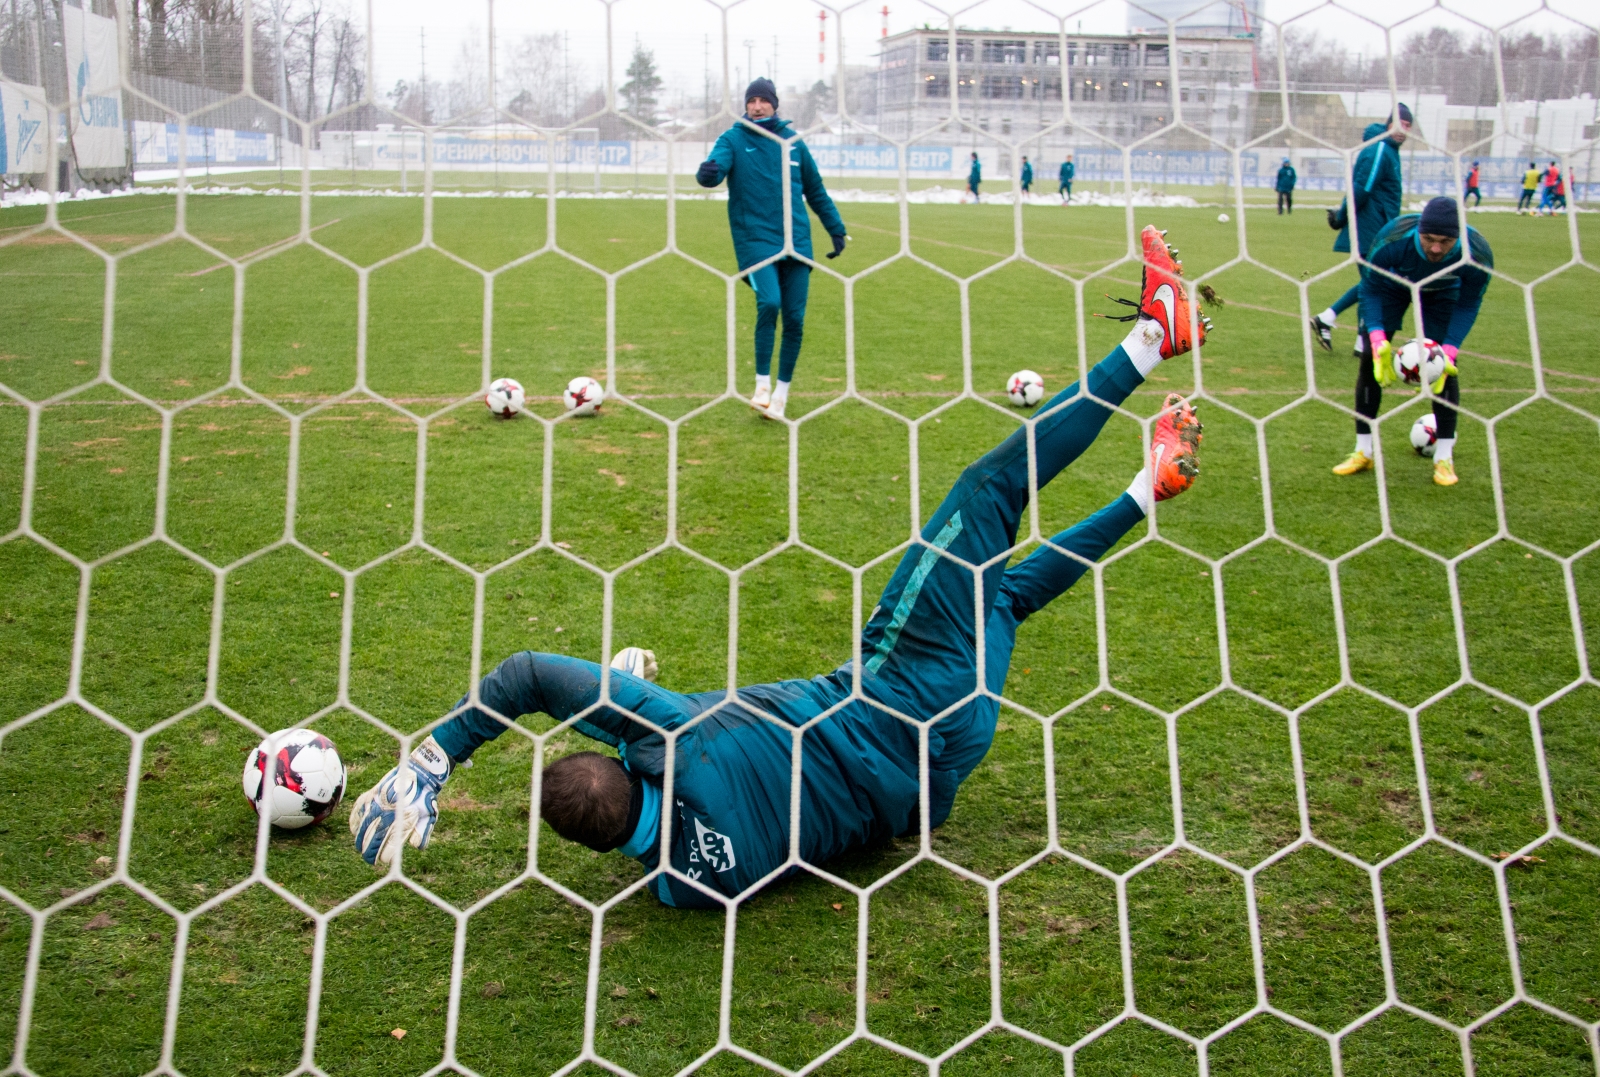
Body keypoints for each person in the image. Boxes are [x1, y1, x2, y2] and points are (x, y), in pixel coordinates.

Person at [349, 227, 1214, 905]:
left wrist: (620, 723)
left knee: (1007, 597)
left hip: (939, 770)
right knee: (988, 491)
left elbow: (646, 823)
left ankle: (1147, 486)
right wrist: (432, 761)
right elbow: (529, 674)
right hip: (897, 690)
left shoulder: (687, 888)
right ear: (631, 756)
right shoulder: (675, 738)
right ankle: (1150, 335)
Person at [695, 78, 847, 422]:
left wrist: (835, 228)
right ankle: (761, 385)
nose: (758, 106)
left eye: (764, 100)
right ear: (745, 105)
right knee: (770, 302)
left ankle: (780, 395)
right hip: (756, 241)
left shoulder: (793, 143)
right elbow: (713, 170)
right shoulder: (733, 139)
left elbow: (815, 189)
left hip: (797, 241)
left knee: (795, 317)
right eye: (752, 101)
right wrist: (708, 174)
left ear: (775, 105)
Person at [1331, 197, 1492, 488]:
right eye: (1428, 239)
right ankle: (1363, 451)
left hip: (1444, 292)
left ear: (1459, 236)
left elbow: (1469, 304)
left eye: (1445, 241)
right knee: (1371, 359)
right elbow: (1370, 287)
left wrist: (1452, 348)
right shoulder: (1393, 239)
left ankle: (1444, 458)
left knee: (1444, 369)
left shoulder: (1477, 253)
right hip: (1393, 286)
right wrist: (1378, 336)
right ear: (1418, 230)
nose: (1435, 248)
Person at [1309, 105, 1411, 354]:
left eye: (1408, 127)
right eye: (1399, 124)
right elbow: (1361, 189)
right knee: (1376, 284)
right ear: (1388, 124)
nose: (1403, 131)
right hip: (1370, 230)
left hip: (1381, 229)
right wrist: (1341, 217)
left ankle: (1336, 324)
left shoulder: (1388, 150)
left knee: (1373, 283)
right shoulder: (1379, 148)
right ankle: (1347, 332)